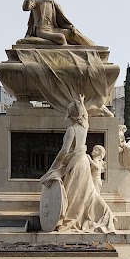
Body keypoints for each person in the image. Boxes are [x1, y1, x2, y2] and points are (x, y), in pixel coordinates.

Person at [40, 96, 116, 233]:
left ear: (69, 114)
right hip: (84, 163)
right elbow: (85, 116)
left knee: (72, 193)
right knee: (81, 193)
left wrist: (53, 167)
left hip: (74, 164)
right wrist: (81, 103)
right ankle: (79, 216)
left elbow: (64, 151)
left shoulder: (72, 130)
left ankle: (68, 218)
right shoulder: (84, 126)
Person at [22, 0, 95, 46]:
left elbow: (60, 22)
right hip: (41, 31)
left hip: (53, 29)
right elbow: (26, 8)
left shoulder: (55, 5)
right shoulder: (36, 1)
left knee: (72, 33)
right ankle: (67, 50)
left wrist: (69, 27)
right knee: (61, 37)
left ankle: (93, 47)